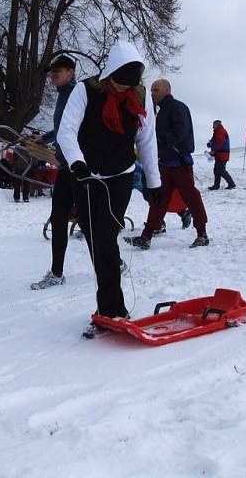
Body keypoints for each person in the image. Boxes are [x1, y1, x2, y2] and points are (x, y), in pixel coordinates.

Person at [57, 41, 161, 334]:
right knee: (95, 239)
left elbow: (147, 140)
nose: (120, 89)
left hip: (121, 177)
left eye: (127, 84)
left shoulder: (139, 96)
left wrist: (153, 182)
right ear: (108, 73)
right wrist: (77, 162)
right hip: (86, 177)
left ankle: (111, 311)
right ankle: (111, 307)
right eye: (116, 81)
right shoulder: (85, 90)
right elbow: (67, 131)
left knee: (104, 238)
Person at [125, 79, 209, 250]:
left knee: (191, 198)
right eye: (152, 90)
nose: (152, 93)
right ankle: (146, 237)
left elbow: (180, 131)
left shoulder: (178, 107)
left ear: (167, 90)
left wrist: (159, 140)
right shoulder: (160, 111)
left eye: (156, 90)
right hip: (165, 164)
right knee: (158, 199)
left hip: (180, 163)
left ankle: (202, 234)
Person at [30, 55, 78, 289]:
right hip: (66, 167)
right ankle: (57, 273)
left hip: (79, 167)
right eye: (52, 71)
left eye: (58, 70)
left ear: (71, 72)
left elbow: (78, 128)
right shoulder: (63, 95)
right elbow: (62, 128)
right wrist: (46, 138)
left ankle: (115, 261)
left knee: (88, 222)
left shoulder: (77, 93)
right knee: (59, 217)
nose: (53, 74)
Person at [207, 120, 236, 189]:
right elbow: (214, 140)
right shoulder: (217, 132)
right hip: (219, 154)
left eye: (214, 125)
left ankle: (231, 184)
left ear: (217, 124)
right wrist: (210, 143)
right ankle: (216, 185)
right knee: (217, 170)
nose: (212, 126)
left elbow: (219, 143)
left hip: (222, 155)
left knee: (221, 170)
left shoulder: (221, 132)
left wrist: (213, 150)